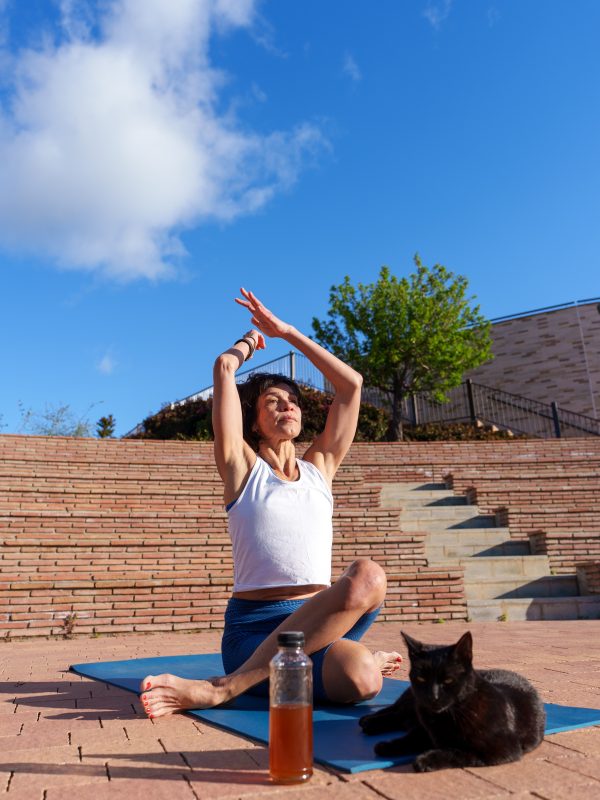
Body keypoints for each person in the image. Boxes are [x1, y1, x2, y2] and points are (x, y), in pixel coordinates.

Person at [141, 289, 401, 717]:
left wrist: (288, 332)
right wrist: (250, 342)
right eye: (273, 402)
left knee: (365, 669)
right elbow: (224, 367)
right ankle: (227, 685)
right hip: (256, 632)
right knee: (359, 659)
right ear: (254, 421)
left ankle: (237, 686)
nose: (288, 407)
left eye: (294, 401)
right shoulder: (242, 467)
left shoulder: (320, 467)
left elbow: (351, 385)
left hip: (321, 625)